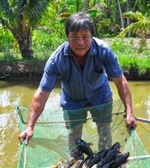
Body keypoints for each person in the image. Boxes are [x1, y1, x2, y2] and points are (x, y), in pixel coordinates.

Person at [18, 11, 137, 151]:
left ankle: (105, 158)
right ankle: (75, 160)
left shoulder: (103, 51)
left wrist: (129, 113)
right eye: (74, 37)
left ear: (92, 36)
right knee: (74, 134)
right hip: (72, 100)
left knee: (104, 129)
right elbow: (42, 94)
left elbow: (120, 81)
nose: (80, 43)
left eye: (85, 37)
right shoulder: (57, 60)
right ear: (67, 36)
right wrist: (30, 127)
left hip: (100, 96)